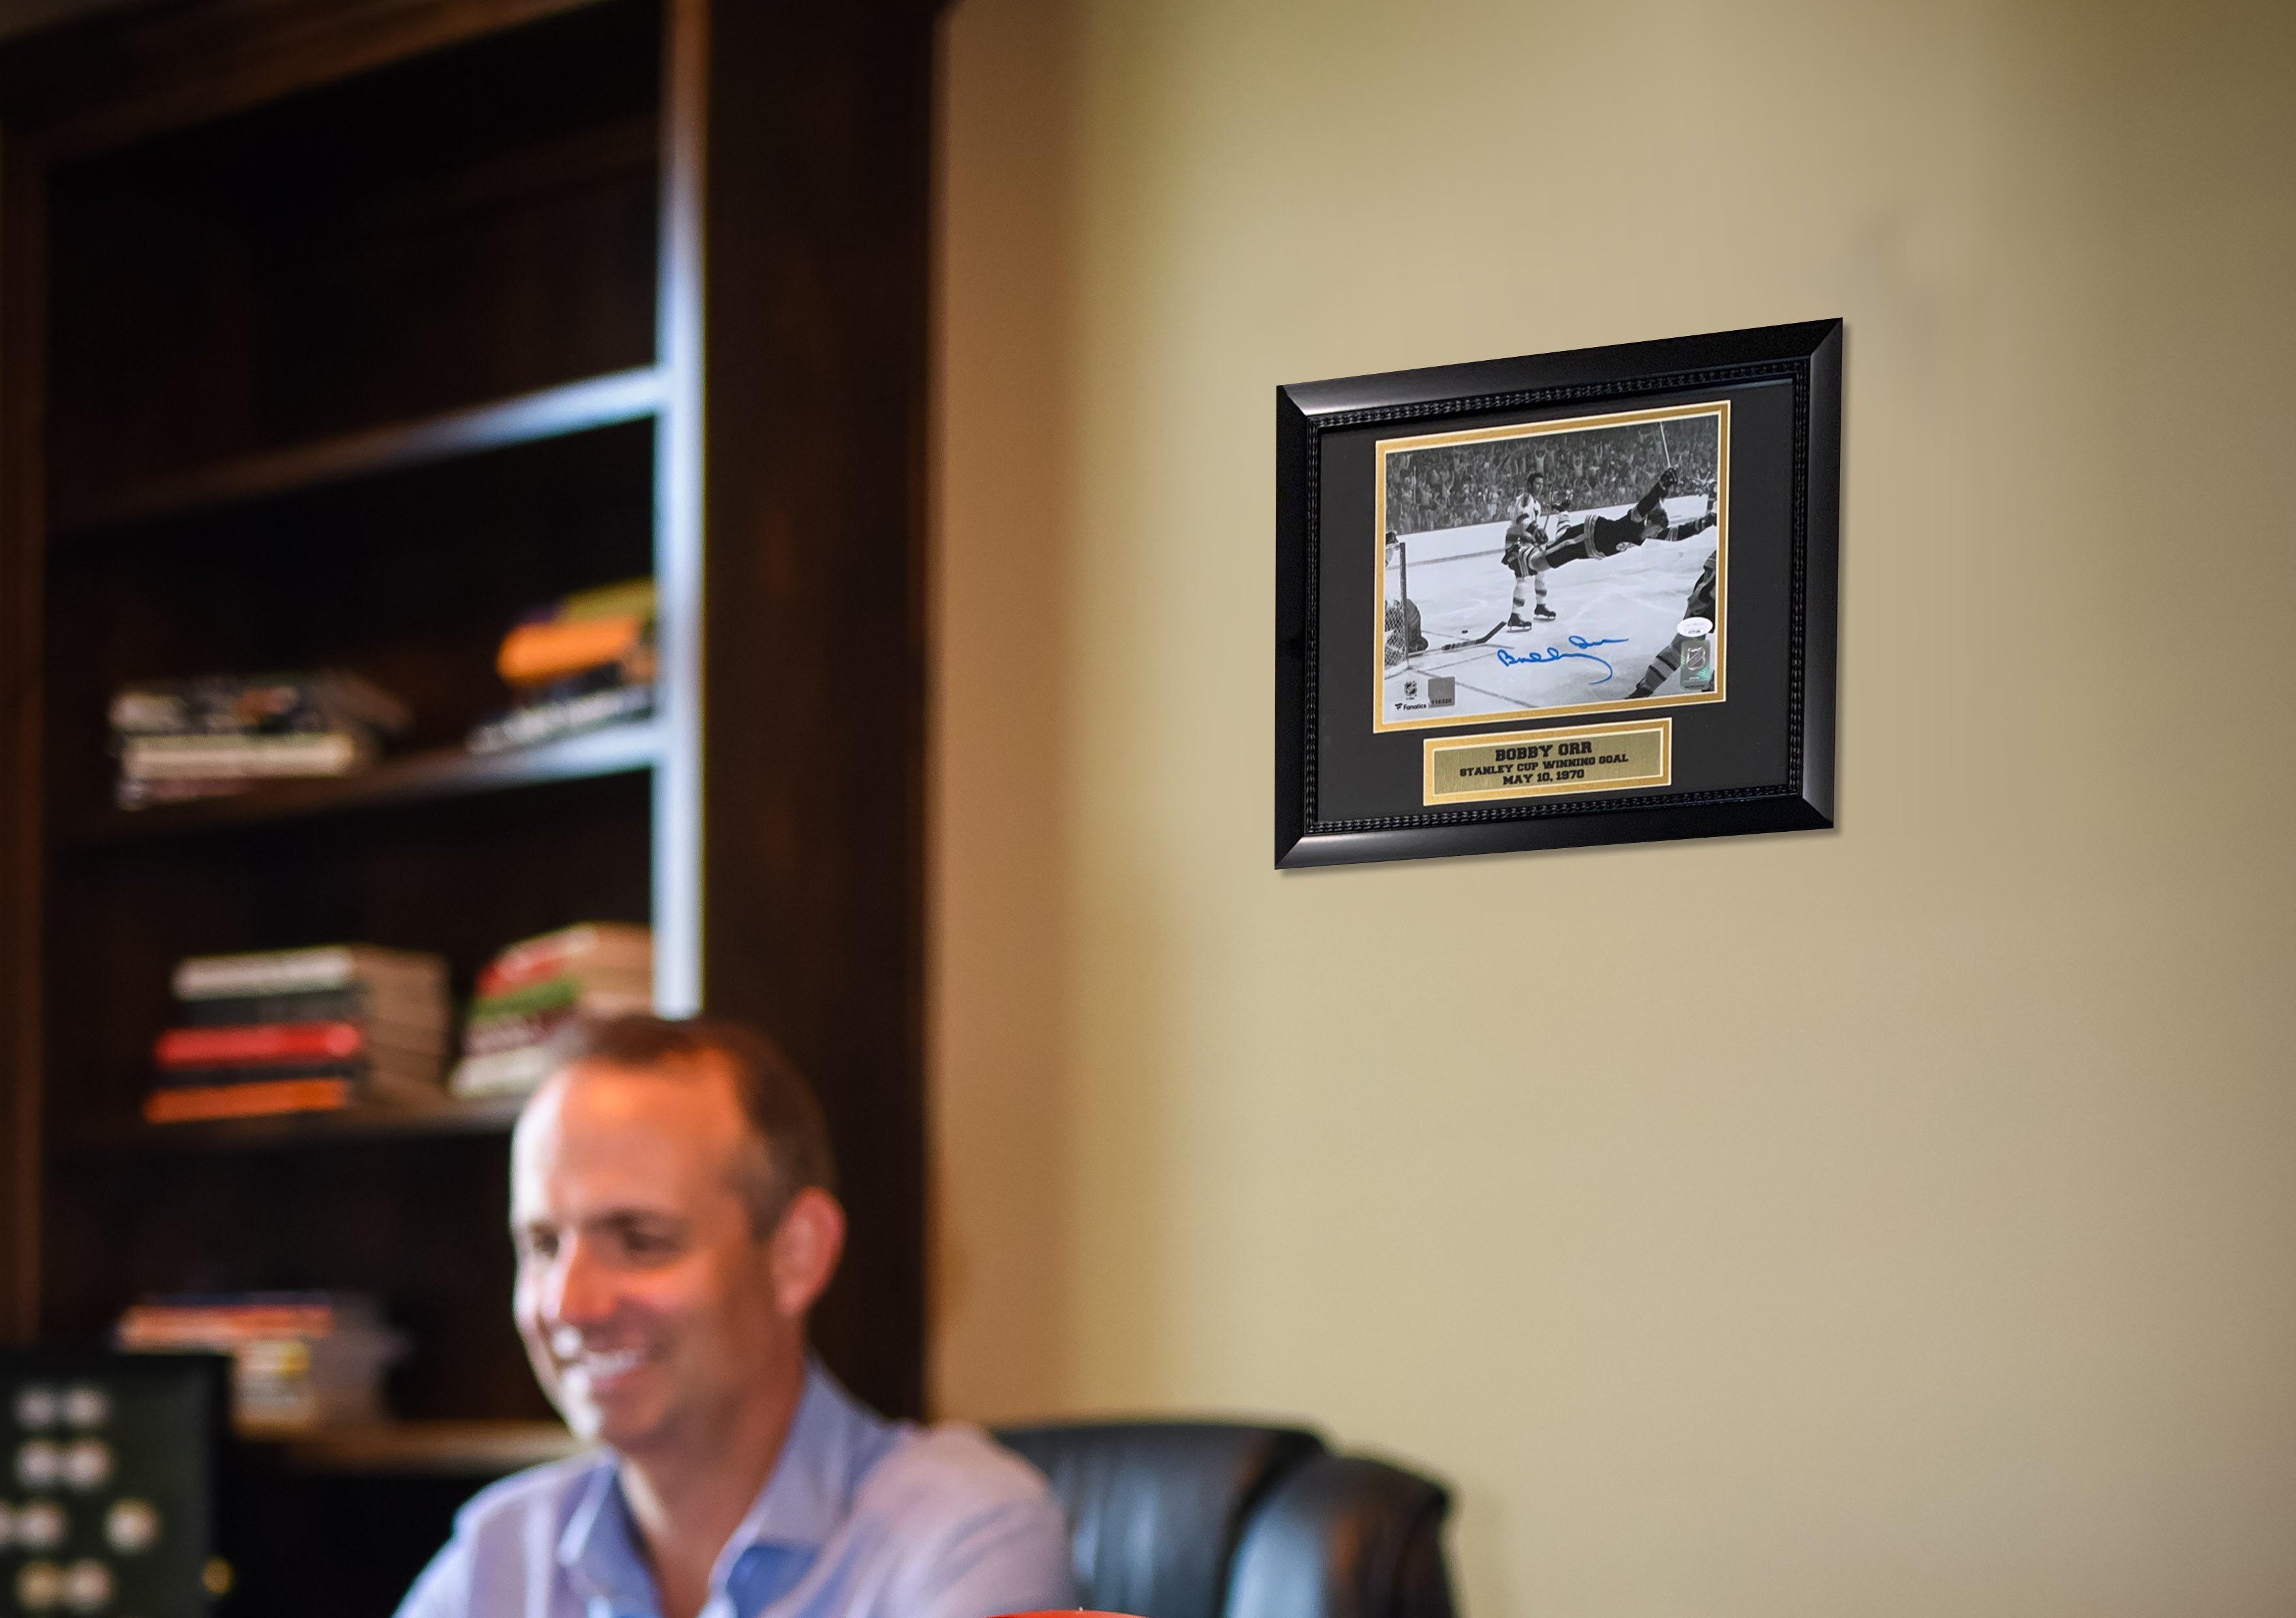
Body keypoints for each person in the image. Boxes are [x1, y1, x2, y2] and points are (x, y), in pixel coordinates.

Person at [396, 1016, 1075, 1618]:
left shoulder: (963, 1534)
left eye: (640, 1239)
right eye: (543, 1244)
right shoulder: (501, 1551)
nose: (567, 1304)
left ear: (796, 1255)